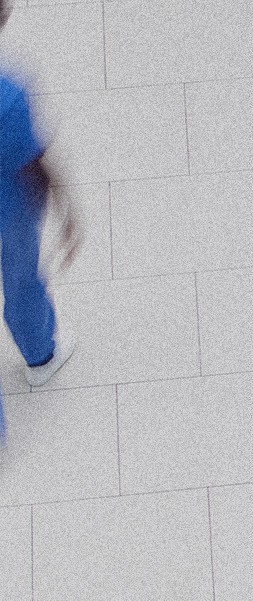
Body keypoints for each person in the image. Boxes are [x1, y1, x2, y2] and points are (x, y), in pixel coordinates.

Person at [0, 0, 80, 404]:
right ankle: (39, 355)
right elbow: (32, 163)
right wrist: (69, 212)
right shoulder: (8, 99)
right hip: (8, 211)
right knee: (20, 281)